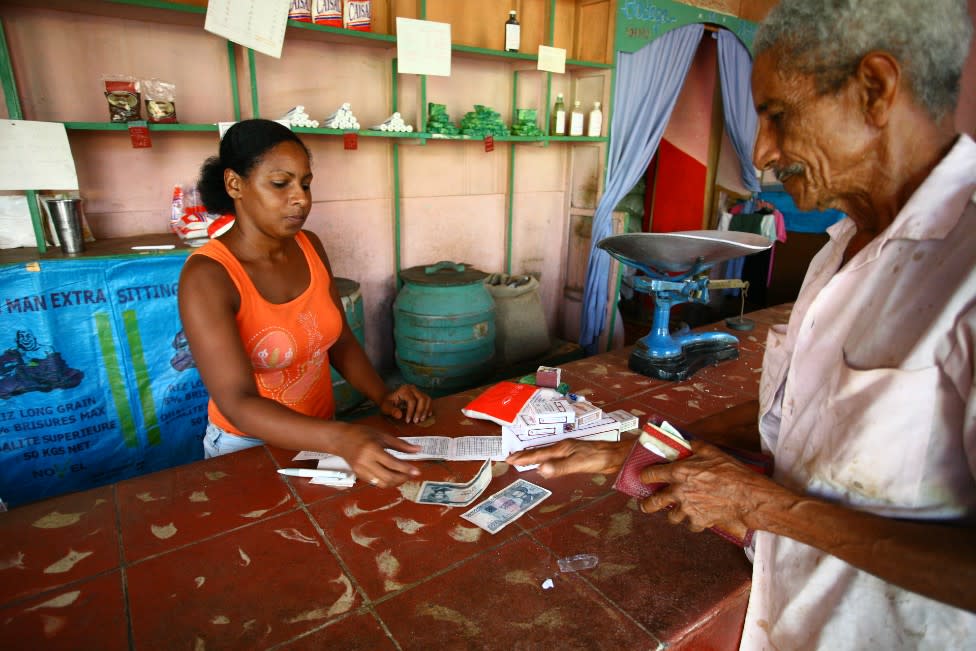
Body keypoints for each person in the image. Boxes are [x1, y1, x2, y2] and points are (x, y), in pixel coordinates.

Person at [508, 0, 976, 647]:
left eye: (777, 116)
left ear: (875, 89)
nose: (761, 152)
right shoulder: (841, 247)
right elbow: (806, 446)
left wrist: (760, 507)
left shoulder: (966, 264)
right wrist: (635, 451)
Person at [178, 119, 432, 488]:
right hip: (247, 446)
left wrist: (382, 394)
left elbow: (339, 339)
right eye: (281, 184)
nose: (301, 198)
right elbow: (237, 401)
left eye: (306, 184)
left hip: (319, 434)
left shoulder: (309, 246)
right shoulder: (208, 277)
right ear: (235, 184)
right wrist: (340, 438)